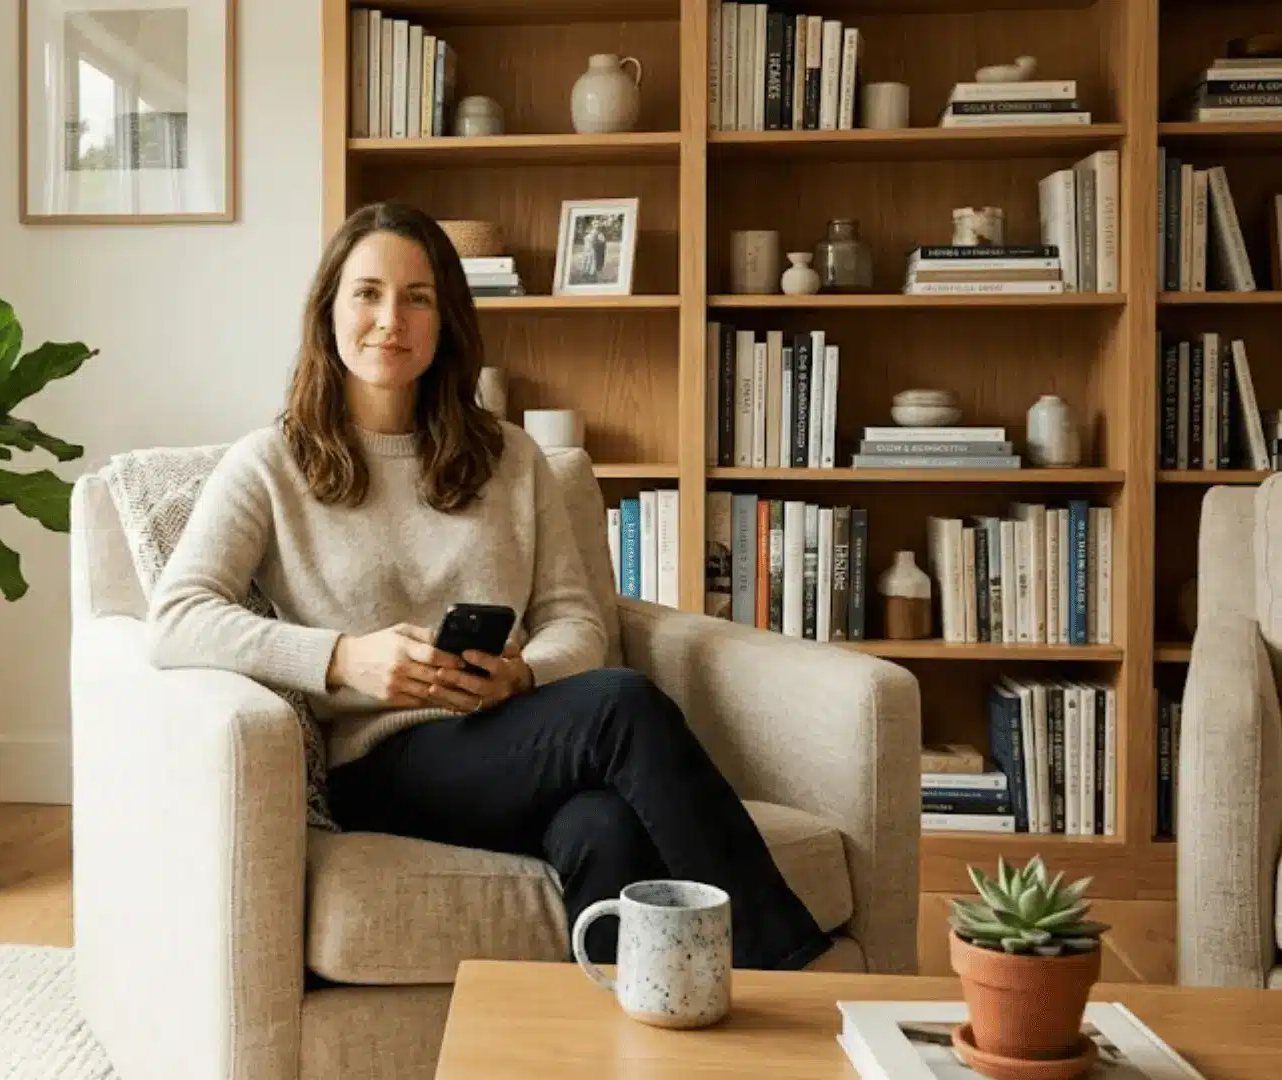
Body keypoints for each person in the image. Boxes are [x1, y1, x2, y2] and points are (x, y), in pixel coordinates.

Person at [145, 200, 831, 970]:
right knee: (622, 705)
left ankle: (621, 1041)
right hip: (382, 764)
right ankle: (790, 974)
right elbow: (176, 618)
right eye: (366, 293)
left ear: (446, 322)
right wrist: (342, 658)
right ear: (328, 312)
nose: (389, 320)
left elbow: (575, 617)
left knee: (603, 827)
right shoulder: (270, 462)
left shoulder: (511, 457)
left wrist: (525, 674)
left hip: (517, 738)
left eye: (417, 298)